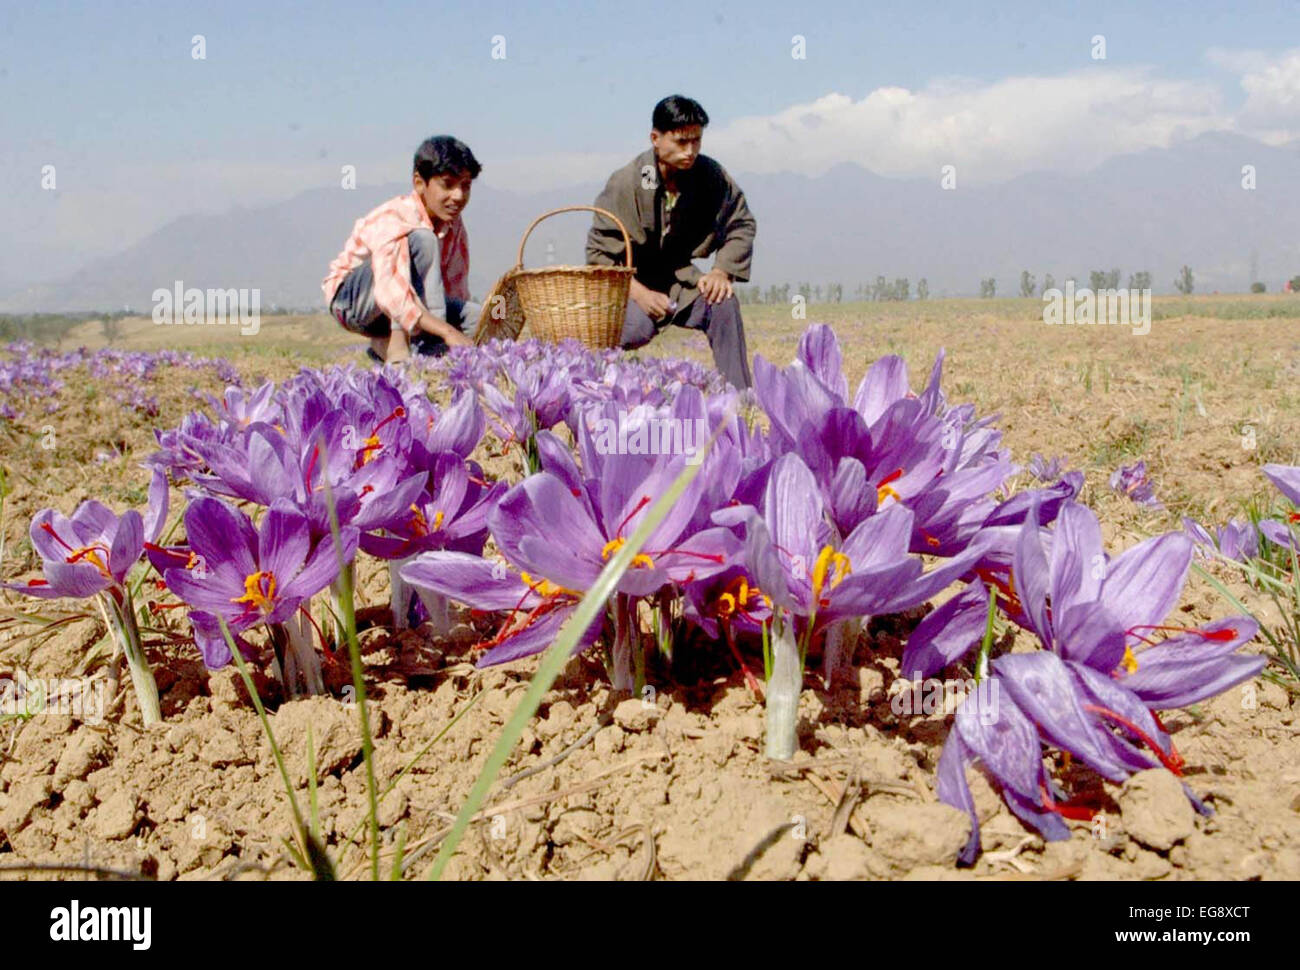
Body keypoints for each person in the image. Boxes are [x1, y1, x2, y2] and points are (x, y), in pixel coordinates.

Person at [586, 95, 756, 389]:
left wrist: (721, 272)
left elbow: (741, 223)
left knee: (722, 303)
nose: (690, 151)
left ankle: (740, 400)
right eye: (680, 142)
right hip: (631, 285)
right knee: (629, 329)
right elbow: (598, 256)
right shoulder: (627, 182)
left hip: (680, 282)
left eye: (697, 141)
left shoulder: (710, 176)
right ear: (656, 138)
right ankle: (600, 393)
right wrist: (639, 294)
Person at [323, 135, 482, 364]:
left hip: (403, 303)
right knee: (422, 240)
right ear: (419, 183)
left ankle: (387, 345)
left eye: (465, 186)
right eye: (447, 184)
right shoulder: (397, 216)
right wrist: (445, 333)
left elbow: (454, 288)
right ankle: (405, 351)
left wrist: (458, 325)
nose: (458, 196)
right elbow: (392, 293)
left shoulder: (454, 225)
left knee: (476, 317)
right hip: (353, 302)